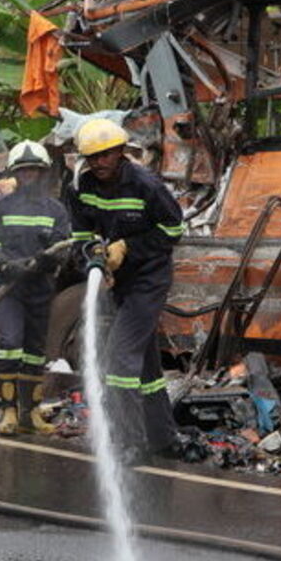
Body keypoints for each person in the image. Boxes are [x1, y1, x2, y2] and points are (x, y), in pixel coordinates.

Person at [68, 117, 183, 461]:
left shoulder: (146, 185)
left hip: (149, 278)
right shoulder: (81, 186)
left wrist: (129, 248)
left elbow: (173, 230)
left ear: (120, 152)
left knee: (119, 361)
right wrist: (92, 256)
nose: (99, 163)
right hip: (119, 281)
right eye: (92, 157)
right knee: (145, 368)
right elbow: (81, 234)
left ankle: (130, 442)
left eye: (105, 155)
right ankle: (164, 440)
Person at [0, 140, 71, 435]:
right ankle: (8, 412)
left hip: (40, 289)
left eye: (35, 170)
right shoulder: (0, 207)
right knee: (10, 344)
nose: (30, 175)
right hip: (9, 290)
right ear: (16, 175)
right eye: (24, 171)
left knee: (34, 351)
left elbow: (65, 245)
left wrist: (49, 257)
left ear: (43, 174)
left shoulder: (55, 210)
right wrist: (5, 264)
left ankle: (29, 415)